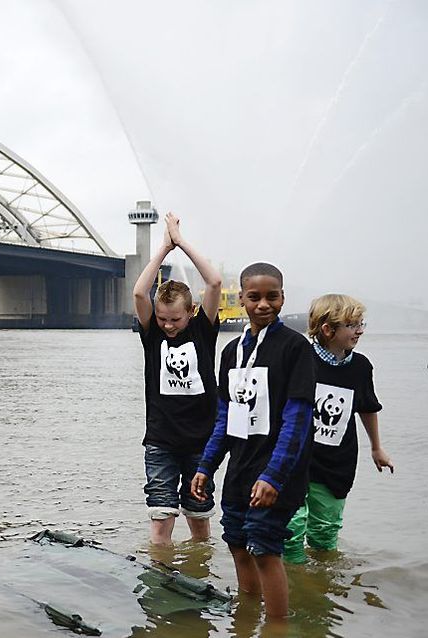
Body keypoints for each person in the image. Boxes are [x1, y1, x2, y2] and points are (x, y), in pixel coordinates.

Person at [191, 262, 316, 621]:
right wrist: (206, 466)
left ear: (282, 298)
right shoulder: (231, 352)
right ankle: (246, 621)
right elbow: (224, 416)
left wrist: (274, 476)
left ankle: (276, 627)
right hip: (241, 465)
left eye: (272, 296)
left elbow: (298, 419)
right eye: (254, 297)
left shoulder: (295, 348)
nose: (264, 304)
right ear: (242, 299)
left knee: (263, 546)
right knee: (235, 541)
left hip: (280, 470)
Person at [132, 213, 222, 545]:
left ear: (191, 312)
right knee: (160, 521)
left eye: (175, 319)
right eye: (162, 318)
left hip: (201, 442)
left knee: (199, 521)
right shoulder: (152, 334)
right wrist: (162, 250)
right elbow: (140, 294)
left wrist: (181, 242)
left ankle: (199, 572)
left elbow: (214, 283)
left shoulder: (202, 330)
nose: (168, 325)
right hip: (160, 442)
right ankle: (162, 577)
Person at [283, 294, 394, 564]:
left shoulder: (360, 367)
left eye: (361, 324)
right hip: (295, 459)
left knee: (325, 532)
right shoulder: (300, 358)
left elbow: (367, 407)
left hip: (335, 463)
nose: (360, 331)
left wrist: (376, 447)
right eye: (353, 325)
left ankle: (322, 586)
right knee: (290, 529)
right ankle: (294, 585)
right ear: (328, 329)